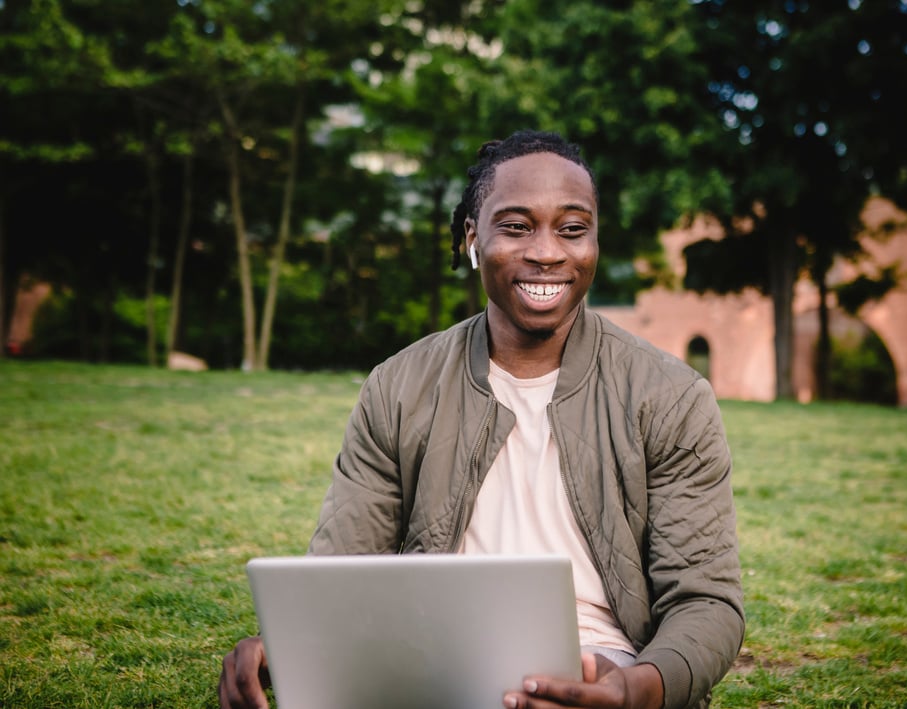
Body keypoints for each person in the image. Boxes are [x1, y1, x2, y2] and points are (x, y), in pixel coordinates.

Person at [218, 130, 744, 709]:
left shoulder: (671, 396)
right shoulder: (398, 386)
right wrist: (286, 644)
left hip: (602, 667)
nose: (547, 252)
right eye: (517, 227)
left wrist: (635, 690)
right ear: (473, 237)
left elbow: (706, 603)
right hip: (430, 664)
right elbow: (340, 571)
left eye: (572, 229)